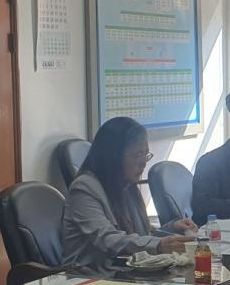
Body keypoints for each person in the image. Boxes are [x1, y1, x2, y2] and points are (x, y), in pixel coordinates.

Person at [61, 117, 198, 273]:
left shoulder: (126, 185)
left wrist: (172, 228)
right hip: (90, 277)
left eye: (146, 154)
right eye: (137, 155)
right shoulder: (84, 189)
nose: (143, 163)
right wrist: (159, 245)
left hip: (125, 272)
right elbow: (108, 239)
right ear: (113, 156)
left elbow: (141, 235)